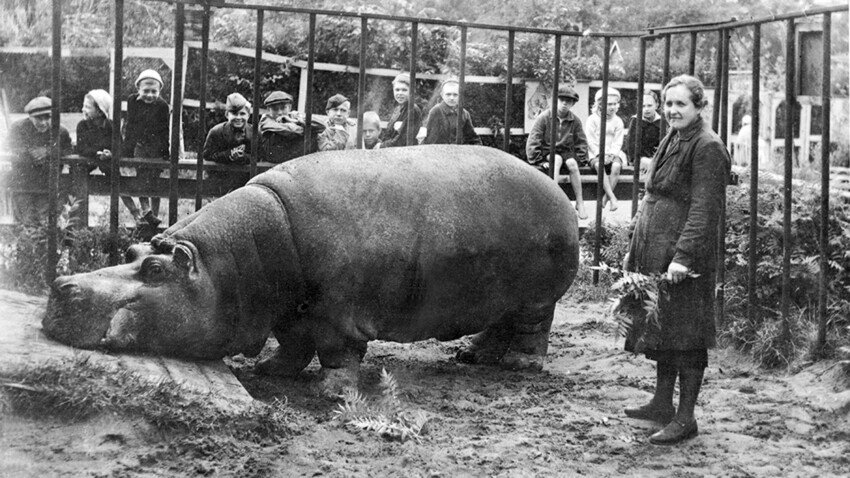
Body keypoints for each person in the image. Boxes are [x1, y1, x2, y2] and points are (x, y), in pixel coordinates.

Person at [622, 74, 731, 445]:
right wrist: (636, 242)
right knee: (663, 327)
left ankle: (686, 418)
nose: (672, 110)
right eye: (668, 103)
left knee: (686, 334)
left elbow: (704, 209)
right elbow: (652, 192)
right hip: (655, 247)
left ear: (699, 106)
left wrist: (683, 257)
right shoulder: (674, 135)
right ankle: (661, 403)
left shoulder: (708, 147)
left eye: (680, 104)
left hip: (684, 256)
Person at [525, 84, 590, 219]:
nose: (564, 104)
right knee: (557, 160)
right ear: (555, 100)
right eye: (561, 100)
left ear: (572, 104)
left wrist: (581, 158)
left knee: (572, 163)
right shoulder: (545, 117)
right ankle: (553, 198)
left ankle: (580, 202)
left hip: (566, 151)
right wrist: (538, 159)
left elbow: (581, 140)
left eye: (568, 101)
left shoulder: (574, 120)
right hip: (548, 151)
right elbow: (534, 138)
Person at [5, 96, 72, 225]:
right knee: (25, 224)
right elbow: (9, 146)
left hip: (48, 186)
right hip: (23, 186)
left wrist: (47, 151)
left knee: (46, 224)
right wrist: (30, 153)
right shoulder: (18, 128)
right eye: (38, 118)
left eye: (47, 117)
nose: (43, 122)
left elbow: (68, 149)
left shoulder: (61, 131)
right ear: (30, 116)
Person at [122, 69, 170, 227]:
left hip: (156, 146)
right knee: (141, 175)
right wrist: (127, 149)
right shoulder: (133, 101)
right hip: (140, 145)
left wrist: (165, 151)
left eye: (154, 91)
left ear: (159, 90)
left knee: (155, 178)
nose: (150, 95)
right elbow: (130, 125)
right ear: (138, 89)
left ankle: (154, 214)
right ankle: (145, 209)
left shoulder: (162, 106)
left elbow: (164, 130)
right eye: (146, 91)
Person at [585, 88, 626, 211]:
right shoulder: (592, 119)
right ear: (600, 104)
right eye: (609, 104)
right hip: (595, 153)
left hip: (612, 154)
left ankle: (605, 198)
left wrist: (612, 155)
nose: (612, 107)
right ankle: (612, 197)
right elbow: (590, 140)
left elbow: (618, 142)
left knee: (616, 166)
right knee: (599, 165)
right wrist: (600, 154)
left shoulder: (618, 121)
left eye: (614, 104)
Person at [259, 90, 323, 163]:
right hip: (275, 155)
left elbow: (322, 126)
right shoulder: (265, 119)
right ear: (268, 110)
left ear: (289, 107)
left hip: (291, 151)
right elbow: (287, 130)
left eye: (283, 108)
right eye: (275, 109)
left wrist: (295, 121)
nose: (279, 112)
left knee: (313, 134)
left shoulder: (293, 115)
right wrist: (301, 128)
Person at [422, 78, 481, 145]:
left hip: (458, 149)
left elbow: (472, 137)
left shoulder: (464, 113)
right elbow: (431, 139)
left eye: (455, 95)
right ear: (442, 95)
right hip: (440, 149)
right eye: (448, 94)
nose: (452, 98)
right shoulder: (436, 111)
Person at [625, 90, 662, 178]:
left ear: (657, 105)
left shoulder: (661, 121)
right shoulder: (635, 120)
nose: (646, 109)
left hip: (656, 157)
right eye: (643, 106)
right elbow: (631, 145)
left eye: (649, 105)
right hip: (640, 158)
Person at [380, 73, 421, 148]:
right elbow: (389, 133)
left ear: (412, 91)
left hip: (405, 150)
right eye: (397, 90)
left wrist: (381, 146)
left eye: (404, 90)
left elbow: (401, 140)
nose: (400, 93)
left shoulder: (413, 109)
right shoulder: (398, 109)